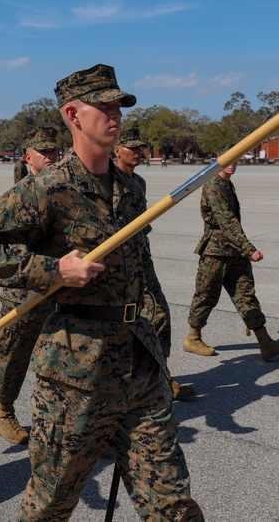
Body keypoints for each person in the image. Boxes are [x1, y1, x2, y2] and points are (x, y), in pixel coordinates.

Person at [0, 64, 203, 521]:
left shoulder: (132, 187)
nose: (116, 115)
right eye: (103, 106)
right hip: (76, 373)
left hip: (139, 365)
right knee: (51, 503)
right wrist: (53, 270)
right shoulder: (46, 189)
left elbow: (139, 261)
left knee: (173, 505)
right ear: (73, 113)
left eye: (118, 106)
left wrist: (156, 320)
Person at [0, 125, 61, 445]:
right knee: (13, 356)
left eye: (53, 151)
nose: (50, 156)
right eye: (43, 151)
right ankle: (4, 414)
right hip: (24, 293)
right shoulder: (16, 198)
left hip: (60, 292)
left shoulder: (64, 191)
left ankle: (67, 426)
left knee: (62, 363)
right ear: (27, 156)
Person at [182, 159, 279, 361]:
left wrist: (242, 249)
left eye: (235, 160)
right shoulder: (213, 185)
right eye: (228, 160)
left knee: (246, 295)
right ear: (218, 162)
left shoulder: (226, 184)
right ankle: (192, 338)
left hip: (234, 252)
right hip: (216, 252)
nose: (232, 164)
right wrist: (248, 248)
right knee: (206, 296)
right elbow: (226, 220)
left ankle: (265, 342)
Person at [114, 128, 195, 400]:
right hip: (118, 263)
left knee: (159, 315)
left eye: (141, 148)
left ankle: (161, 378)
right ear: (117, 151)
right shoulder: (107, 182)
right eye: (132, 148)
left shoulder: (139, 181)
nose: (138, 153)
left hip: (141, 259)